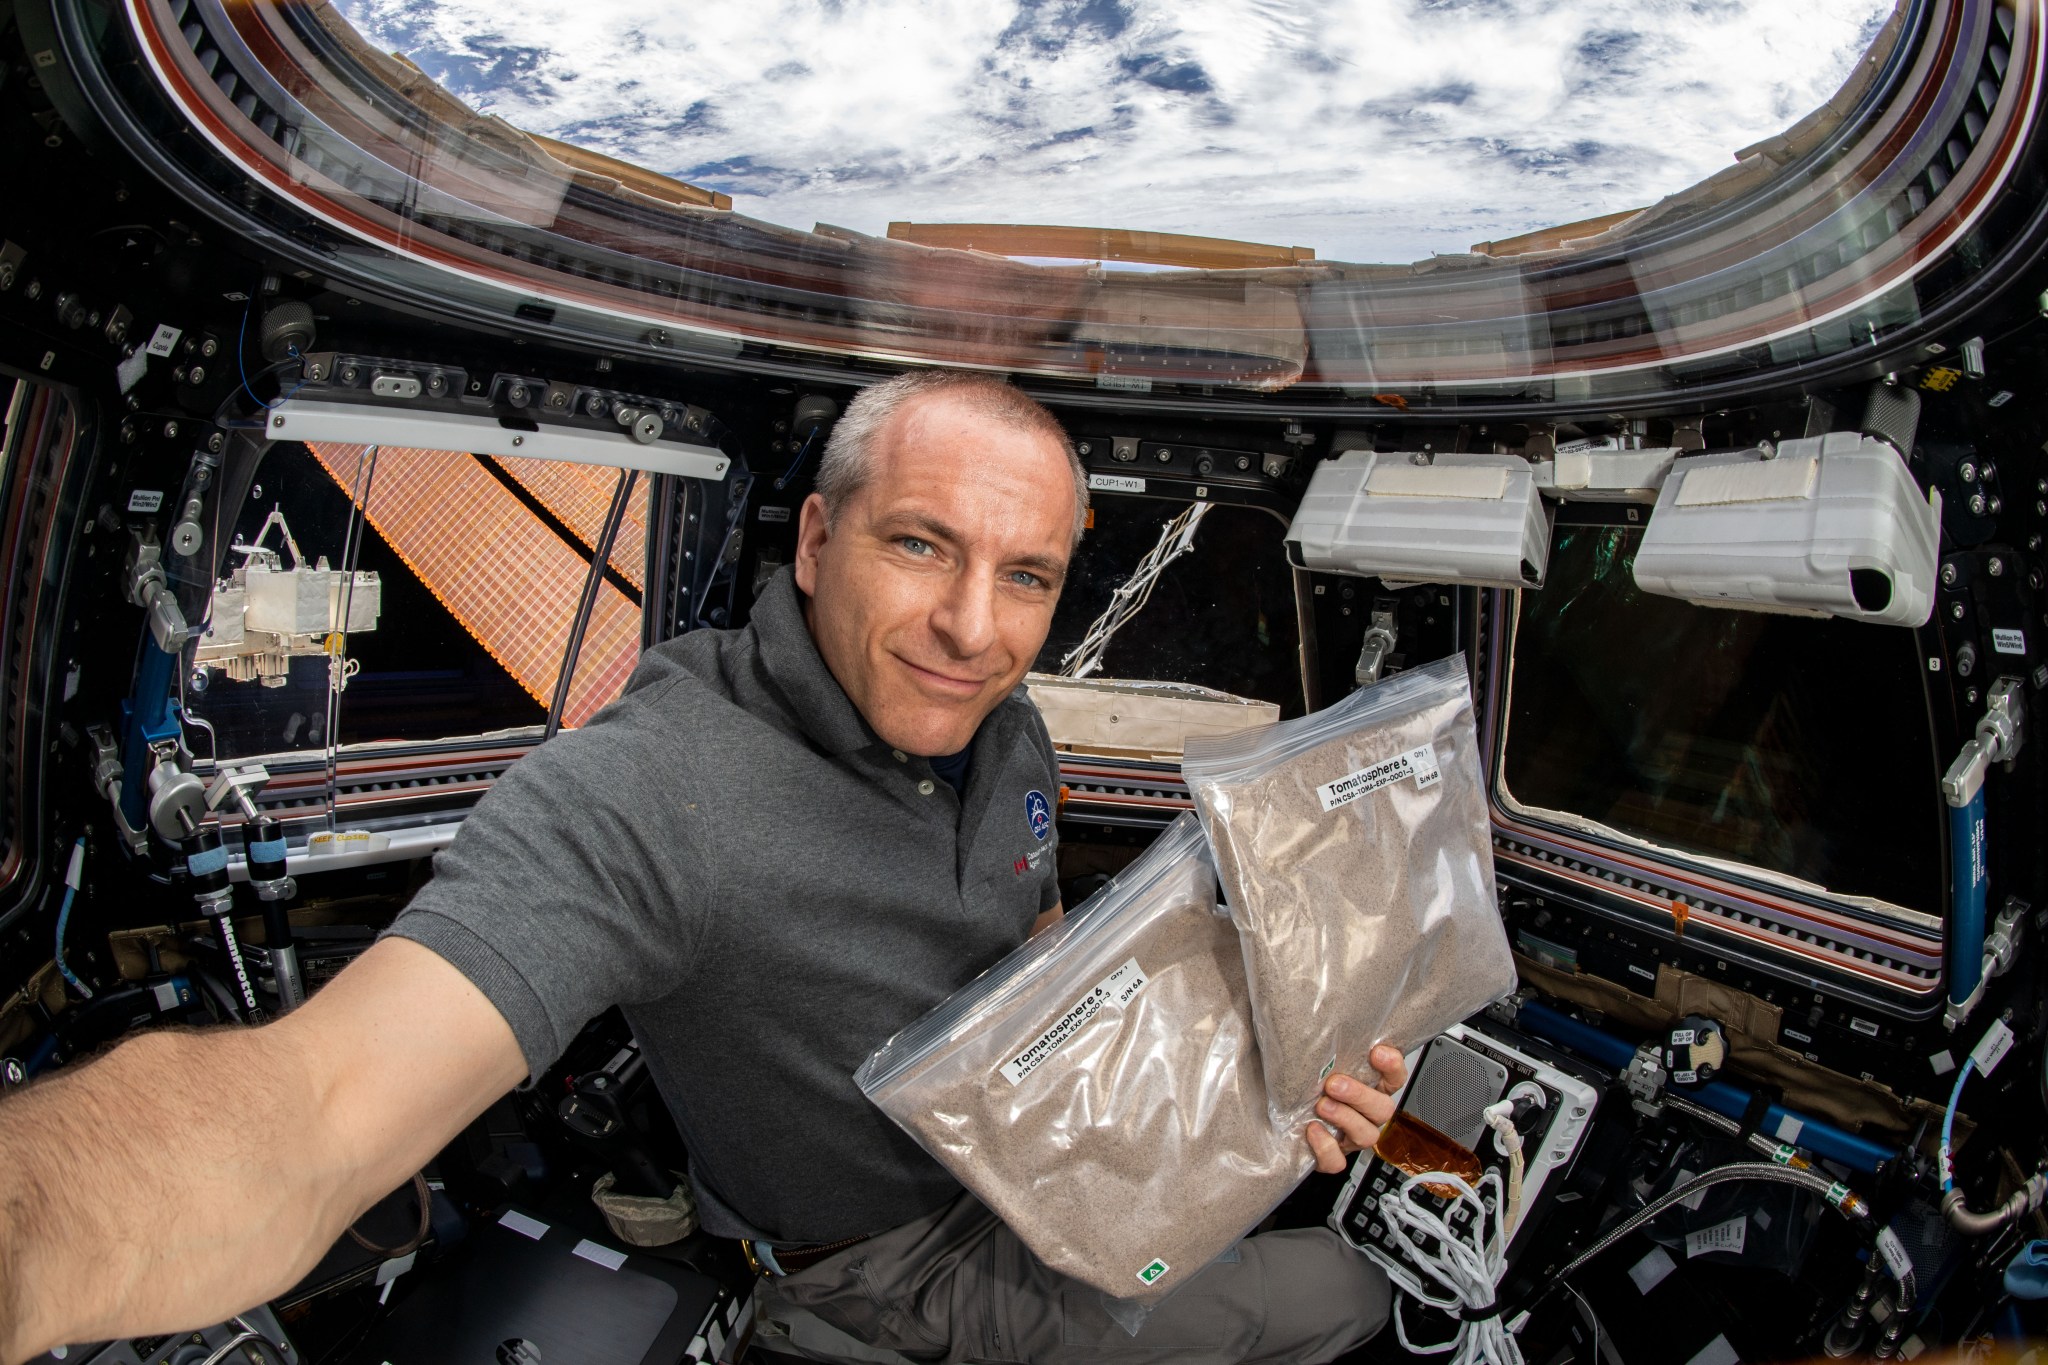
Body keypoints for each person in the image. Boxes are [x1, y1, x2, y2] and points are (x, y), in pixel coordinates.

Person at [0, 371, 1400, 1365]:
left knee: (1307, 1168)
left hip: (1032, 1155)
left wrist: (1242, 1051)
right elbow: (316, 1110)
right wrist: (30, 1231)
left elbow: (1031, 955)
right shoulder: (658, 788)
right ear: (818, 539)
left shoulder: (1008, 730)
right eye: (923, 546)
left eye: (1026, 576)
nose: (974, 629)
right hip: (885, 1270)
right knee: (1350, 1286)